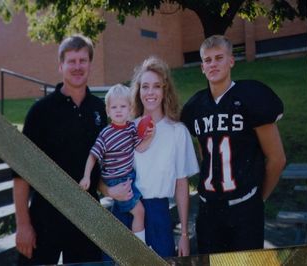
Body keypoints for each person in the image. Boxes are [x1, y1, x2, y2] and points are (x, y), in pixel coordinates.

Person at [180, 35, 286, 254]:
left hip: (244, 210)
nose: (213, 64)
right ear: (202, 67)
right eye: (207, 60)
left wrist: (258, 198)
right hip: (208, 211)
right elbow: (205, 155)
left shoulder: (252, 97)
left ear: (231, 61)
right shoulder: (195, 106)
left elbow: (277, 159)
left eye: (219, 58)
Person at [13, 34, 107, 265]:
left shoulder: (100, 110)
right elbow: (20, 173)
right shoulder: (40, 111)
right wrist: (23, 225)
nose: (77, 67)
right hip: (45, 215)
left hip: (88, 217)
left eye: (82, 61)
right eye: (71, 61)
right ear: (60, 66)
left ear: (90, 64)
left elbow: (106, 166)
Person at [100, 56, 199, 257]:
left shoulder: (177, 132)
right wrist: (111, 191)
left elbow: (181, 184)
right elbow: (102, 178)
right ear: (138, 90)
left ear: (165, 90)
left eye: (156, 86)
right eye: (145, 86)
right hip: (125, 210)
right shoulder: (125, 128)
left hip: (158, 215)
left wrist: (185, 235)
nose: (150, 92)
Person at [79, 84, 154, 243]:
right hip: (116, 179)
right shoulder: (106, 134)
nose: (118, 110)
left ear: (130, 109)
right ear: (107, 111)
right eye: (114, 107)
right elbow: (93, 156)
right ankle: (139, 249)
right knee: (139, 212)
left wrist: (149, 137)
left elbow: (139, 148)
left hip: (129, 176)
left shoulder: (131, 129)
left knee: (129, 214)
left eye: (123, 106)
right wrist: (86, 177)